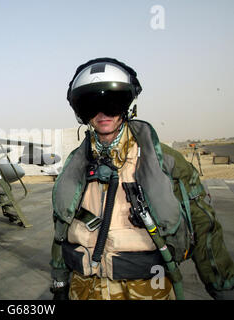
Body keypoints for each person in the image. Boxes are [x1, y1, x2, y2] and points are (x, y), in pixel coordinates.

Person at [50, 57, 234, 300]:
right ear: (81, 113)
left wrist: (222, 288)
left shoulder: (164, 162)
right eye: (90, 105)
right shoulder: (74, 166)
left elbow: (204, 227)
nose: (102, 113)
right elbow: (61, 227)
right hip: (84, 290)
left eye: (112, 103)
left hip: (146, 289)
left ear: (127, 106)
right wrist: (60, 281)